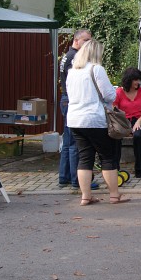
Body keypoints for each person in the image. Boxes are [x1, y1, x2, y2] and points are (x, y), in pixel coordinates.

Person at [66, 39, 130, 206]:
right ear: (96, 53)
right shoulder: (97, 69)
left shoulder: (72, 72)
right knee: (107, 157)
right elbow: (110, 96)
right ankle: (114, 195)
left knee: (84, 157)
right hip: (95, 119)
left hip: (74, 119)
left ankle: (85, 196)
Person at [58, 29, 99, 190]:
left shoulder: (66, 56)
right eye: (86, 40)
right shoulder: (75, 57)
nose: (89, 43)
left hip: (66, 99)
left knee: (68, 143)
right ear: (77, 40)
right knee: (75, 144)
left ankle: (64, 177)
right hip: (72, 100)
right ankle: (77, 180)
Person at [113, 67, 141, 178]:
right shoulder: (119, 92)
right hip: (123, 120)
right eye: (136, 80)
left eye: (139, 80)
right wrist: (122, 123)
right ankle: (115, 169)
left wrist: (138, 121)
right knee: (116, 137)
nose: (138, 82)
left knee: (138, 137)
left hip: (138, 119)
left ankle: (139, 169)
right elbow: (114, 108)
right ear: (129, 80)